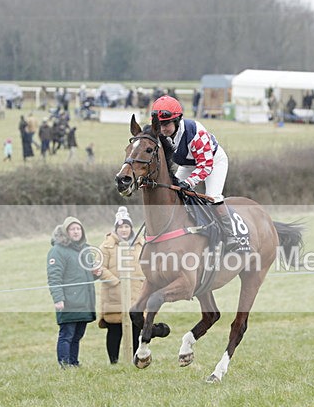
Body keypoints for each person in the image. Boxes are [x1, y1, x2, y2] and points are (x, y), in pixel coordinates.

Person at [150, 95, 238, 252]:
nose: (163, 129)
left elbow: (205, 166)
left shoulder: (196, 133)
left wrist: (189, 183)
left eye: (166, 124)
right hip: (188, 164)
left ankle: (231, 235)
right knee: (172, 192)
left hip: (212, 161)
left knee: (213, 197)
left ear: (177, 121)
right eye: (160, 124)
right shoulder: (161, 134)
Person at [47, 216, 99, 368]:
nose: (76, 232)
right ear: (66, 232)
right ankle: (64, 364)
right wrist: (58, 299)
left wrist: (97, 273)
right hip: (69, 301)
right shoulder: (57, 251)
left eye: (78, 229)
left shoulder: (86, 249)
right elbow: (54, 277)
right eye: (72, 229)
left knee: (77, 335)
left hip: (85, 301)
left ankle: (74, 363)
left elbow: (90, 274)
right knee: (67, 335)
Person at [96, 207, 145, 364]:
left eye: (126, 226)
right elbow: (99, 267)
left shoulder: (141, 244)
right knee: (115, 329)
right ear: (116, 228)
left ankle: (135, 359)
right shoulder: (106, 246)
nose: (124, 230)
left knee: (136, 328)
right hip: (115, 293)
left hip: (137, 293)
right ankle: (114, 361)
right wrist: (116, 282)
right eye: (121, 227)